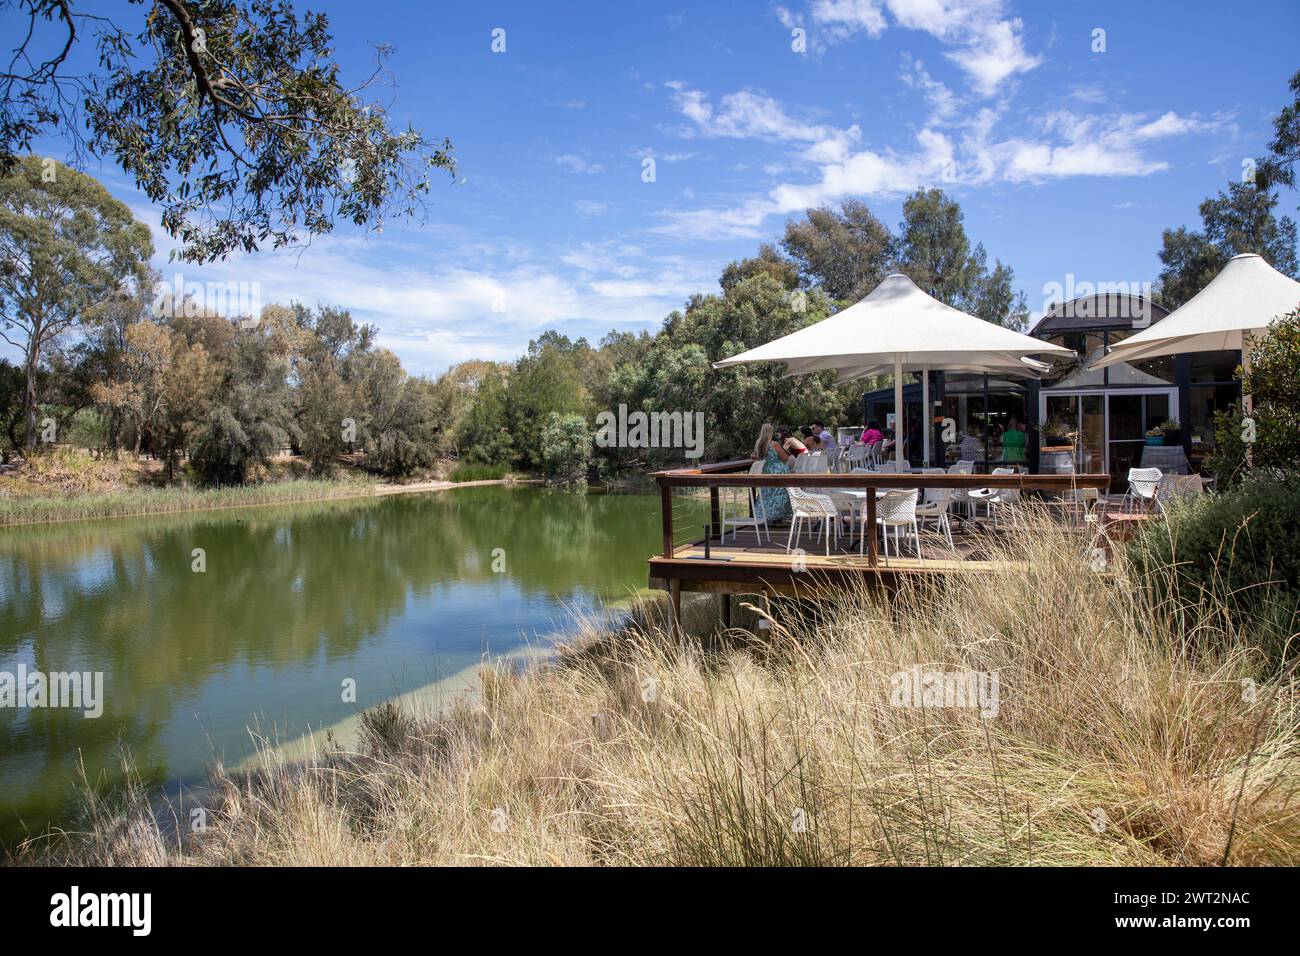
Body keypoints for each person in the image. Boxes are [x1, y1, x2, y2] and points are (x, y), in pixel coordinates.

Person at [750, 423, 793, 521]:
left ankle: (766, 517)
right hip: (778, 471)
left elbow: (757, 457)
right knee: (781, 493)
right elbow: (785, 458)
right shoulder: (774, 444)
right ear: (770, 432)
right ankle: (778, 518)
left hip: (765, 471)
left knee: (767, 494)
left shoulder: (758, 443)